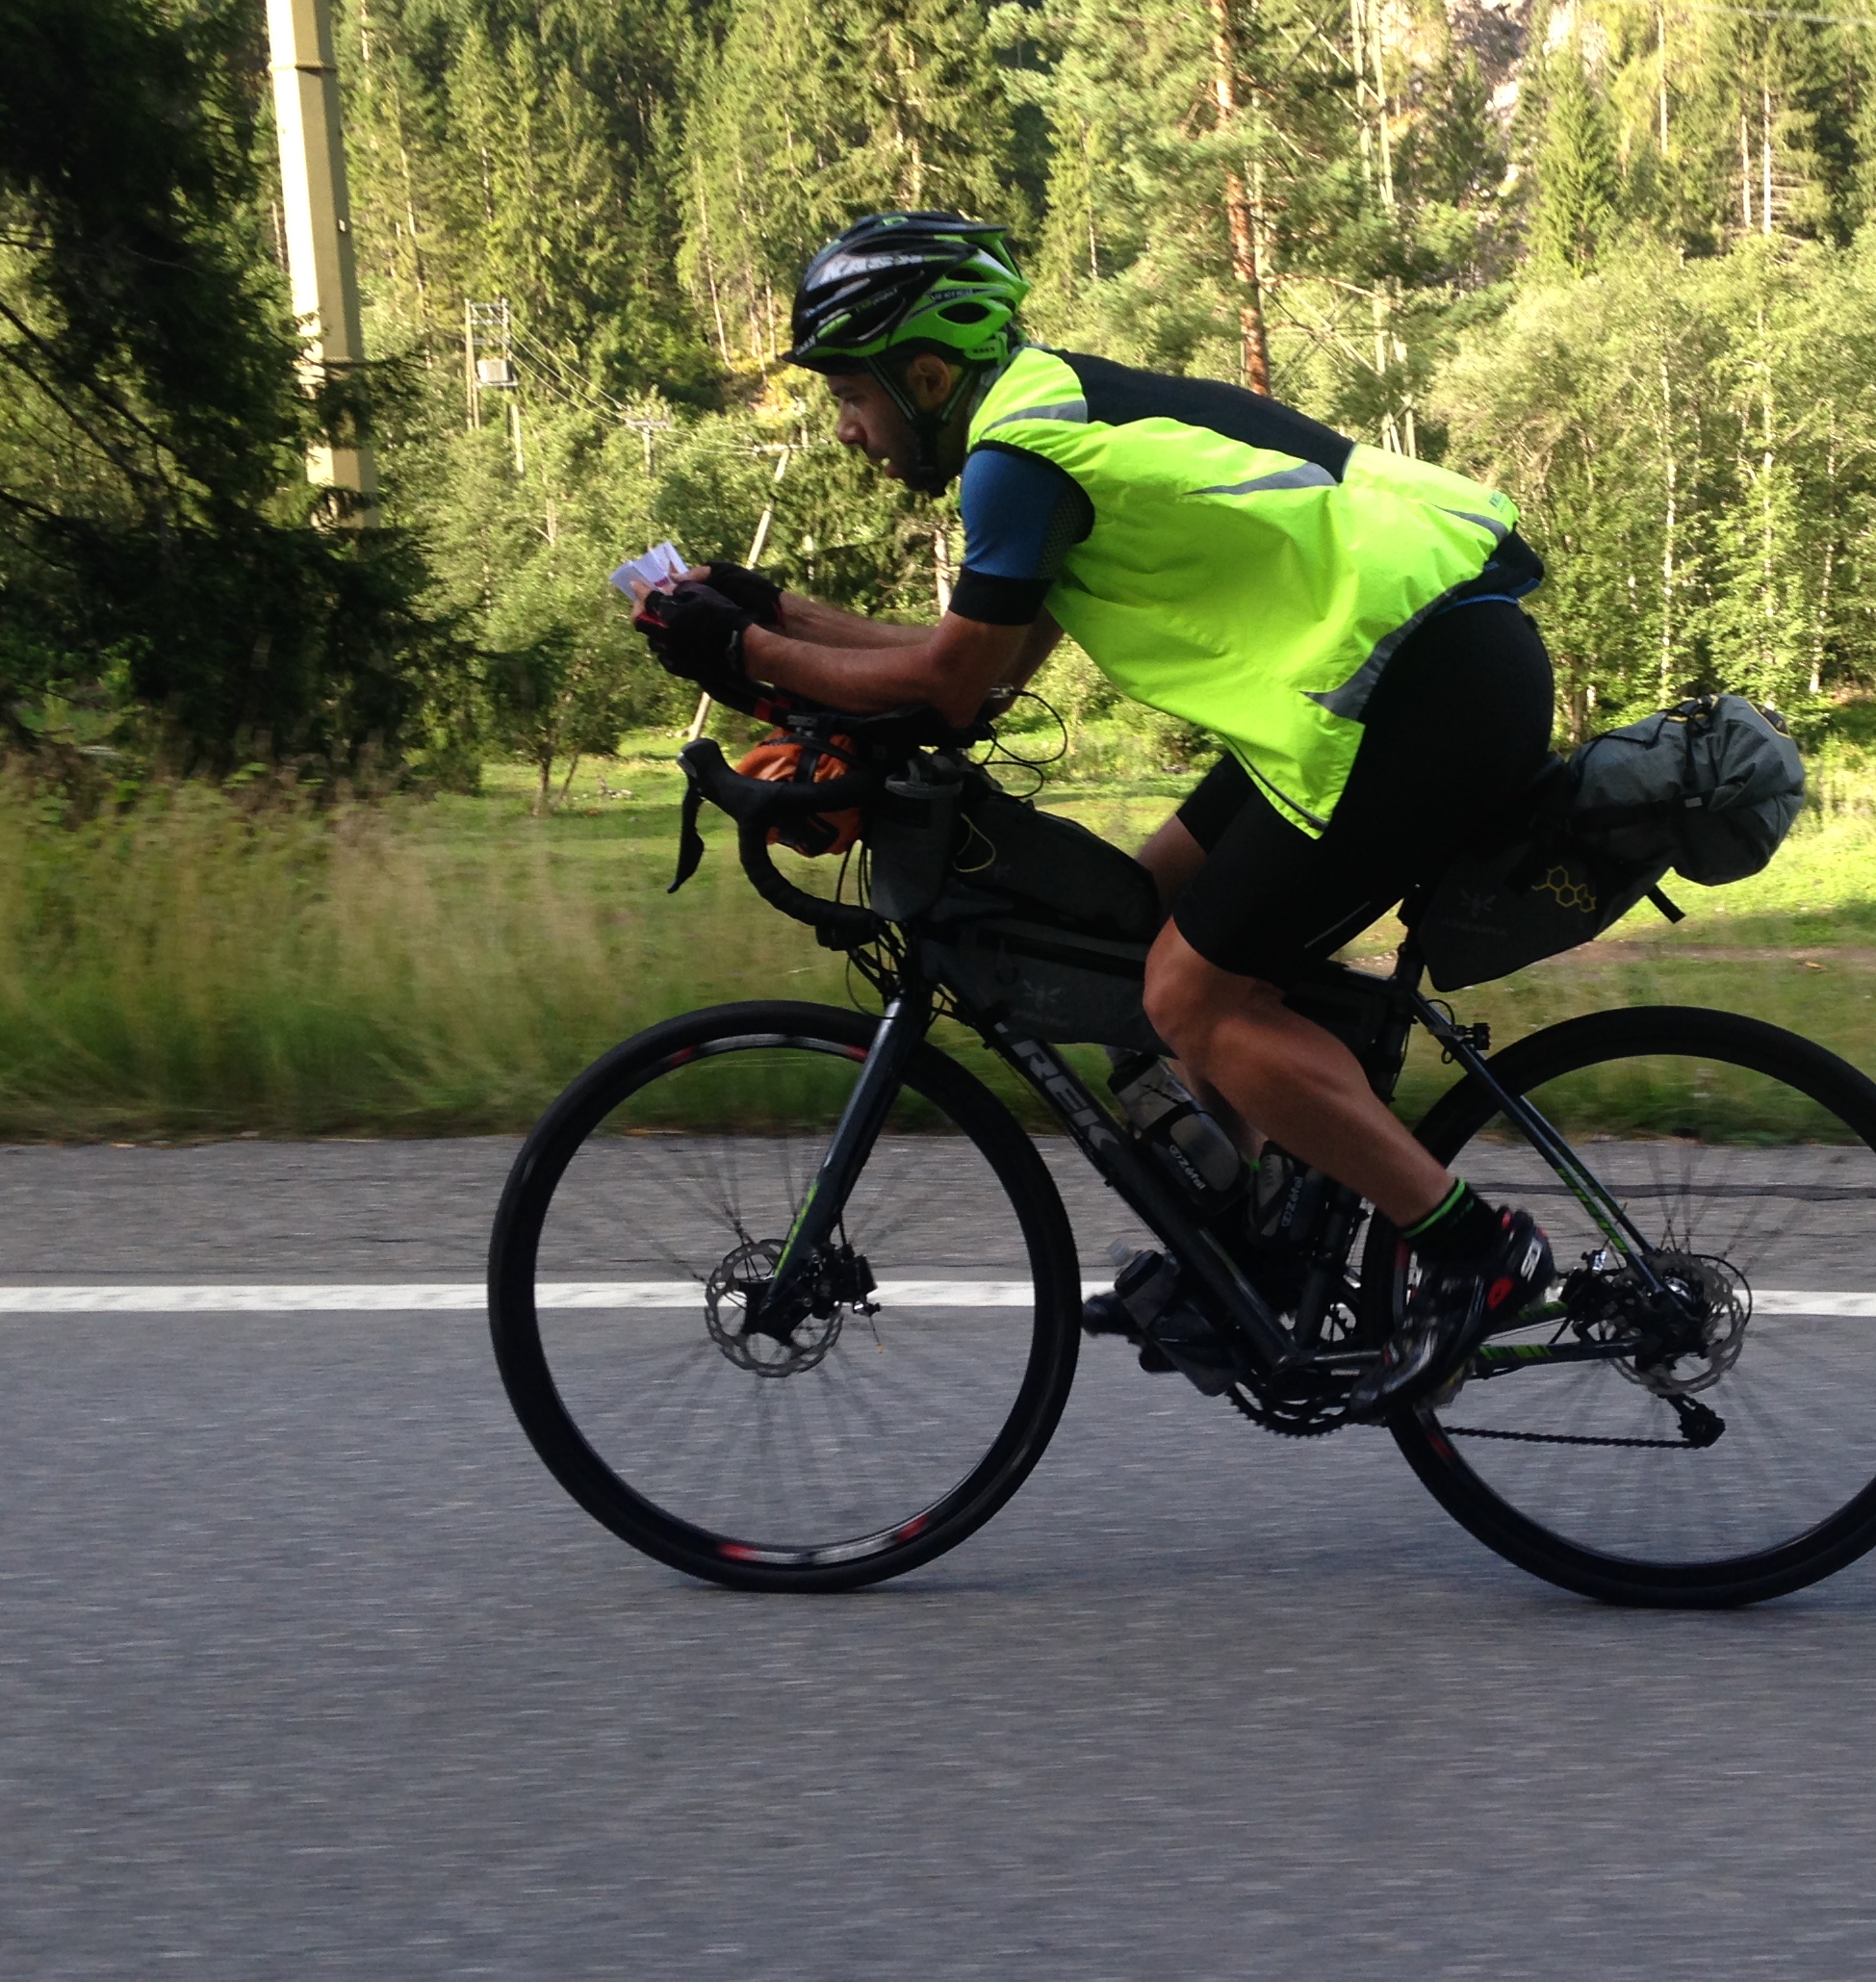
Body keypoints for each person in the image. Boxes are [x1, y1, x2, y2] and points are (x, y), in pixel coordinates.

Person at [635, 211, 1553, 1419]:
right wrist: (776, 615)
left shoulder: (1018, 456)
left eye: (852, 396)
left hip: (1420, 691)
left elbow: (952, 688)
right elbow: (984, 669)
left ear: (926, 374)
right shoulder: (1048, 427)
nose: (848, 430)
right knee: (1150, 910)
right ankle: (1270, 1232)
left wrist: (742, 646)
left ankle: (1476, 1253)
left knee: (1189, 994)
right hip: (1394, 683)